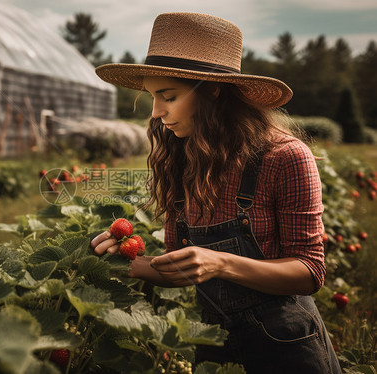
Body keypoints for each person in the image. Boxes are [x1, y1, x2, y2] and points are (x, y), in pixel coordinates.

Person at [90, 12, 341, 374]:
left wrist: (220, 262)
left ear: (213, 90)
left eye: (168, 96)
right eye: (152, 97)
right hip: (213, 343)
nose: (157, 112)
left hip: (285, 344)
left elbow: (310, 271)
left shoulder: (283, 157)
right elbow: (181, 266)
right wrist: (125, 263)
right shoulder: (182, 156)